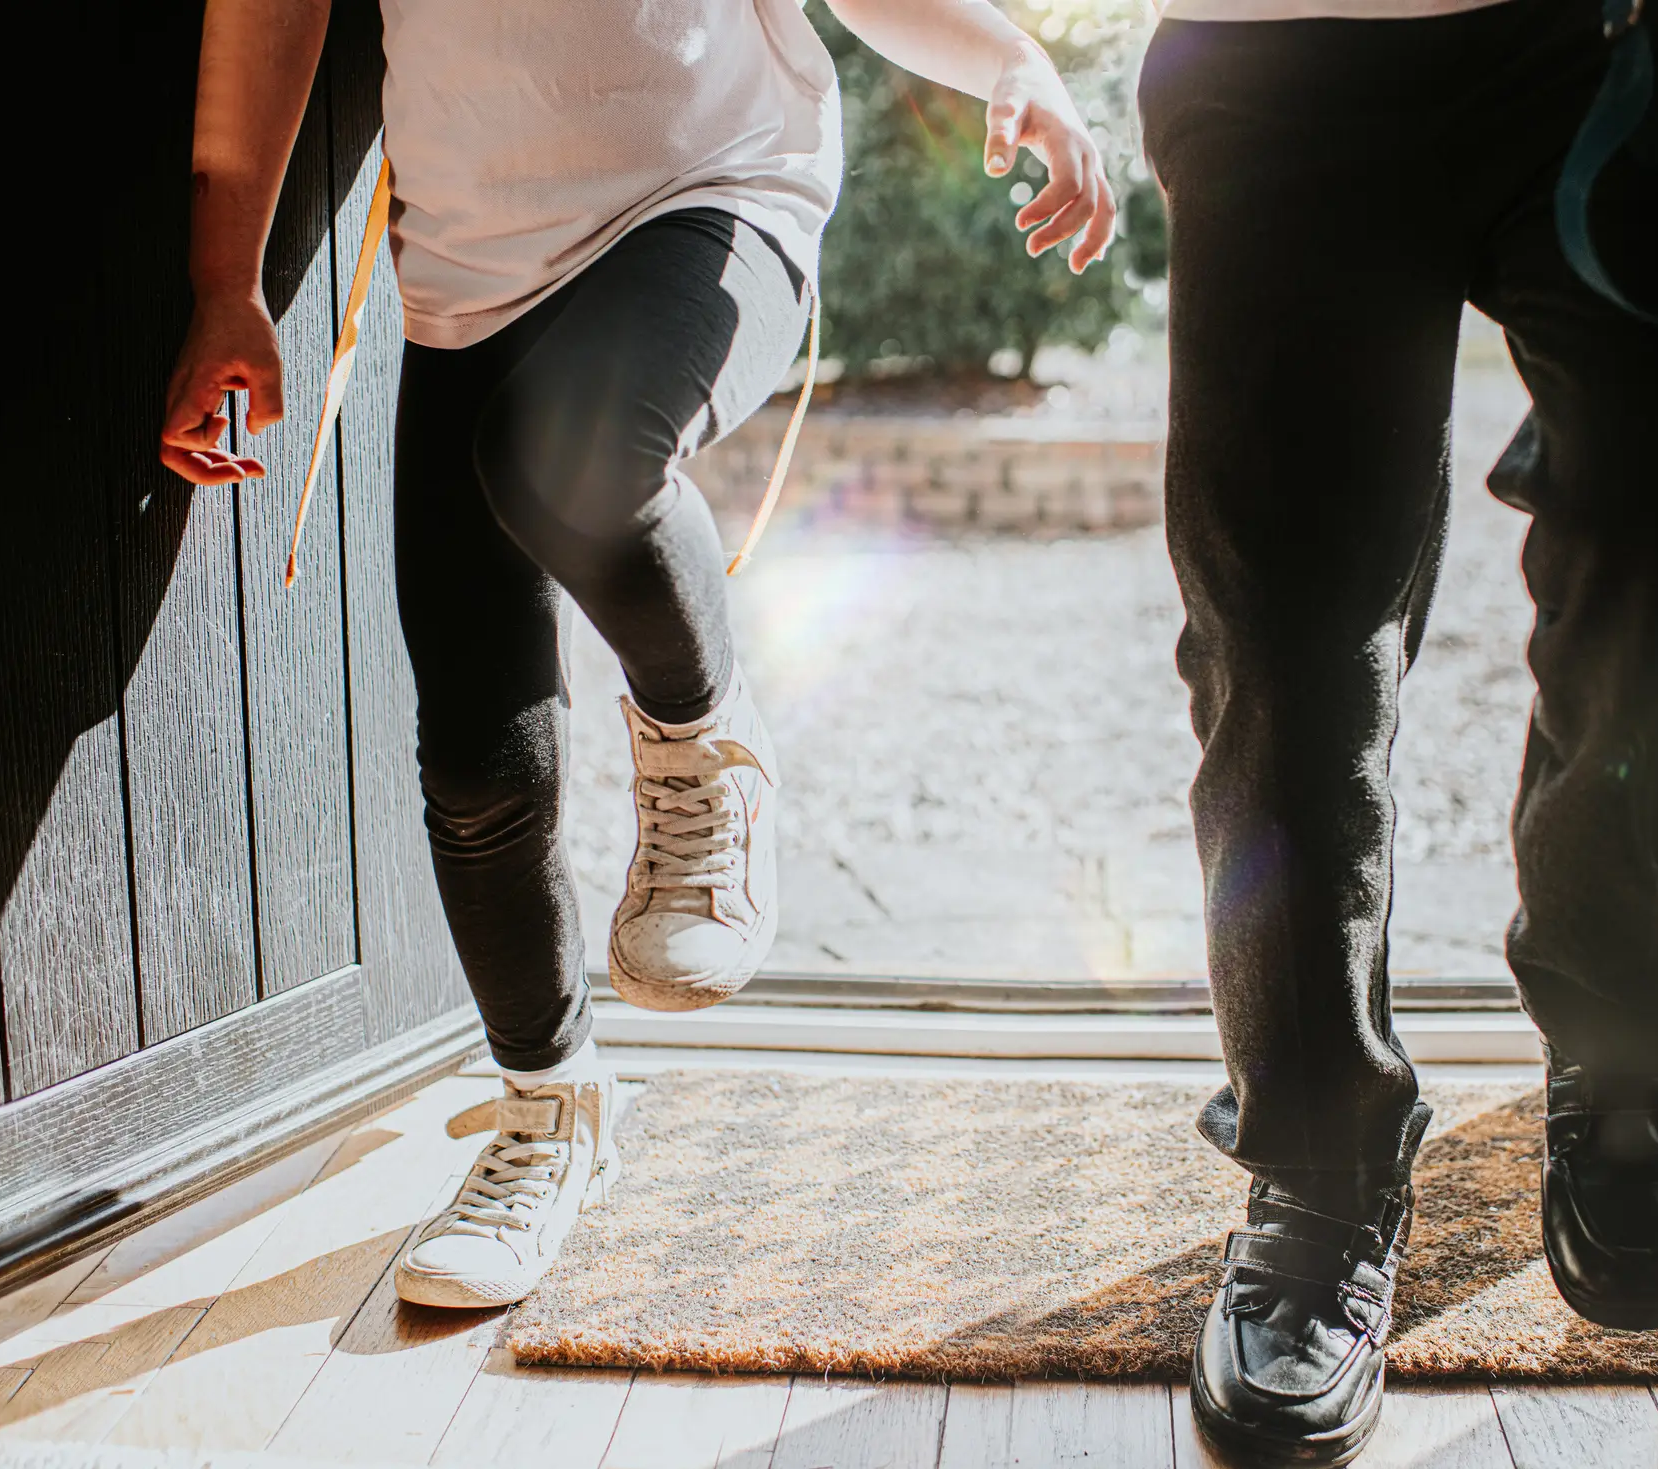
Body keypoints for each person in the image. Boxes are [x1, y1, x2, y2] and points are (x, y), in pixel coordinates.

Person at [162, 0, 1115, 1310]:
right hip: (468, 271)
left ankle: (702, 740)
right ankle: (552, 1115)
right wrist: (226, 284)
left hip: (713, 192)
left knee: (571, 458)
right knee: (478, 767)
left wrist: (1015, 56)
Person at [1137, 0, 1658, 1460]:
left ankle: (1627, 1007)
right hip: (1279, 49)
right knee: (1280, 639)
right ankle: (1320, 1158)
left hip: (1629, 42)